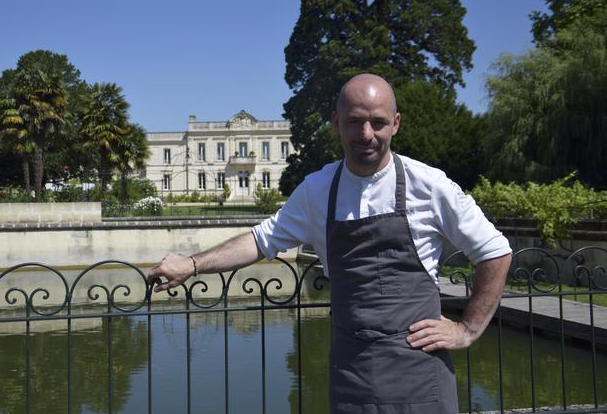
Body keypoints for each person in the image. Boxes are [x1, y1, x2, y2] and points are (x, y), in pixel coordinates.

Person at [148, 73, 512, 413]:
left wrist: (467, 329)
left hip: (418, 376)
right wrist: (192, 264)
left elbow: (494, 251)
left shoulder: (429, 185)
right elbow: (260, 241)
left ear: (395, 124)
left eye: (378, 122)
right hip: (350, 373)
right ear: (337, 123)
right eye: (355, 121)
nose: (367, 134)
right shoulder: (317, 191)